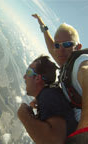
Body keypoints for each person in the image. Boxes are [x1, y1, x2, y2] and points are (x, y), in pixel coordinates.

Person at [32, 14, 88, 143]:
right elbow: (52, 46)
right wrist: (42, 25)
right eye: (58, 45)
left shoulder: (81, 64)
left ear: (78, 47)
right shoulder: (66, 63)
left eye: (67, 44)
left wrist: (81, 137)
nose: (60, 50)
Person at [17, 55, 77, 144]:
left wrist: (23, 115)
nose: (24, 76)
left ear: (37, 78)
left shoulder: (49, 95)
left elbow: (55, 141)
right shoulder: (49, 94)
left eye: (28, 72)